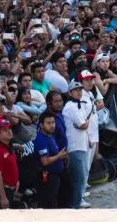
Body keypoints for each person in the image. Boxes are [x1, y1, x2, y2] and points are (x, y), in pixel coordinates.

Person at [62, 81, 92, 209]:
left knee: (83, 174)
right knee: (78, 176)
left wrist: (84, 124)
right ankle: (75, 203)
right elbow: (83, 125)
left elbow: (83, 125)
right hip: (75, 145)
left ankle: (79, 199)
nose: (79, 92)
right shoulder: (71, 107)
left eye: (80, 89)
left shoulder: (78, 105)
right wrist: (86, 122)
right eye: (76, 90)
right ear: (70, 93)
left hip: (82, 143)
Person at [33, 111, 68, 209]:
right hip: (48, 177)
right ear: (41, 125)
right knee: (49, 205)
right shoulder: (41, 140)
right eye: (48, 123)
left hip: (57, 175)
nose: (52, 125)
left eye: (53, 122)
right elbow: (45, 161)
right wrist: (59, 156)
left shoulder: (50, 135)